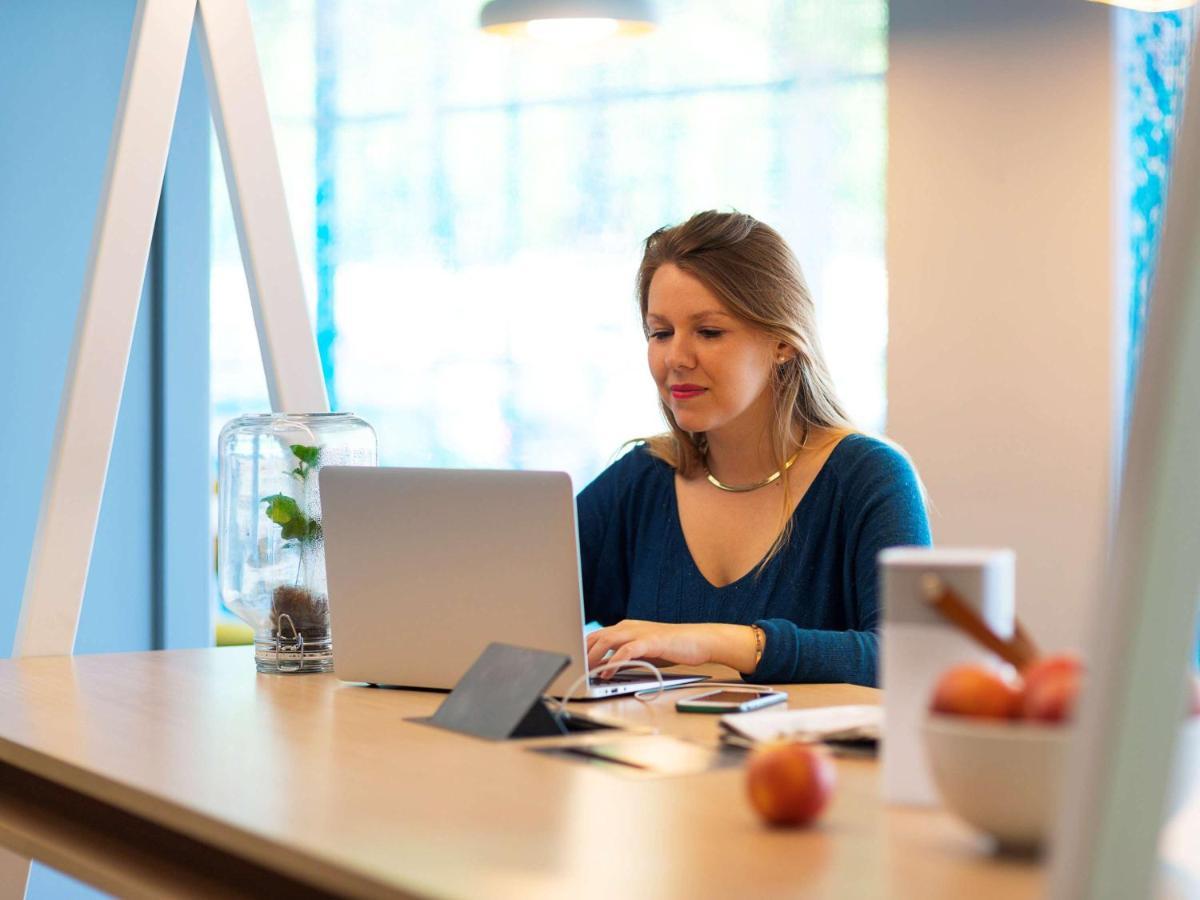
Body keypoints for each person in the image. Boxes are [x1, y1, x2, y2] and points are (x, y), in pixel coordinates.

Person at [577, 210, 931, 687]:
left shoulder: (869, 476)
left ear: (782, 342)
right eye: (660, 332)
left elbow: (909, 657)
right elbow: (511, 602)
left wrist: (711, 641)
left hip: (808, 762)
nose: (675, 358)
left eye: (709, 332)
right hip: (664, 759)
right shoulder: (643, 477)